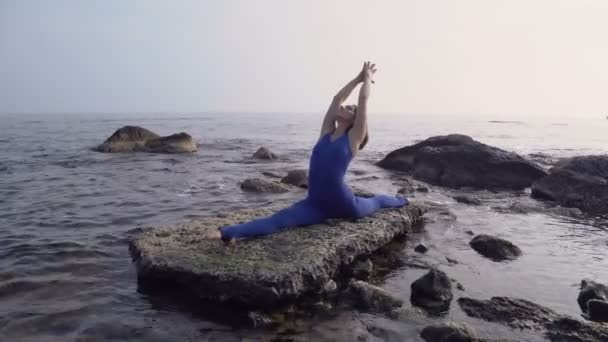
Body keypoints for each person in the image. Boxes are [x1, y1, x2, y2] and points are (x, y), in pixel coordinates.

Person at [209, 61, 408, 241]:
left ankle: (402, 200)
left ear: (355, 121)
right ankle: (225, 232)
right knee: (277, 221)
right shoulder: (325, 134)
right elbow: (337, 97)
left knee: (377, 202)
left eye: (348, 108)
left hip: (345, 204)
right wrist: (357, 78)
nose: (343, 106)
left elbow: (363, 100)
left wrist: (367, 79)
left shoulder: (353, 139)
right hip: (314, 204)